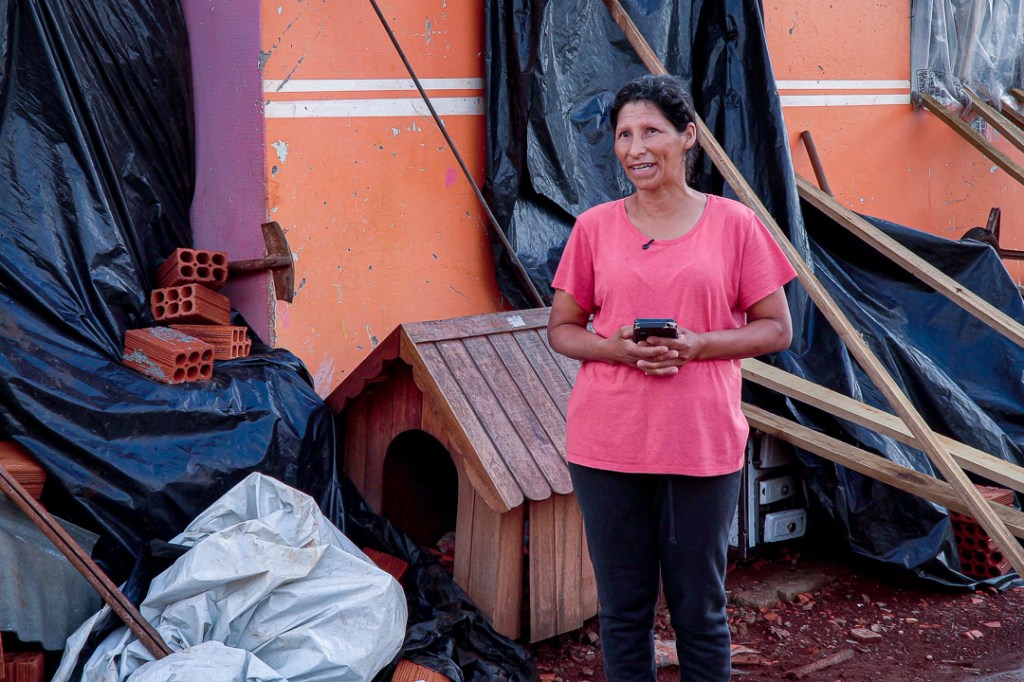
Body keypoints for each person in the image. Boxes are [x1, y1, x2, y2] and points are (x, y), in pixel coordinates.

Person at [547, 74, 797, 682]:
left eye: (651, 131)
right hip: (607, 442)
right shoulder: (594, 227)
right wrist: (615, 350)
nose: (635, 148)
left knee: (699, 610)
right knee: (623, 610)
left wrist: (699, 345)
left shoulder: (734, 223)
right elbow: (562, 330)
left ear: (687, 136)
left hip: (700, 442)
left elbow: (776, 329)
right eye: (624, 134)